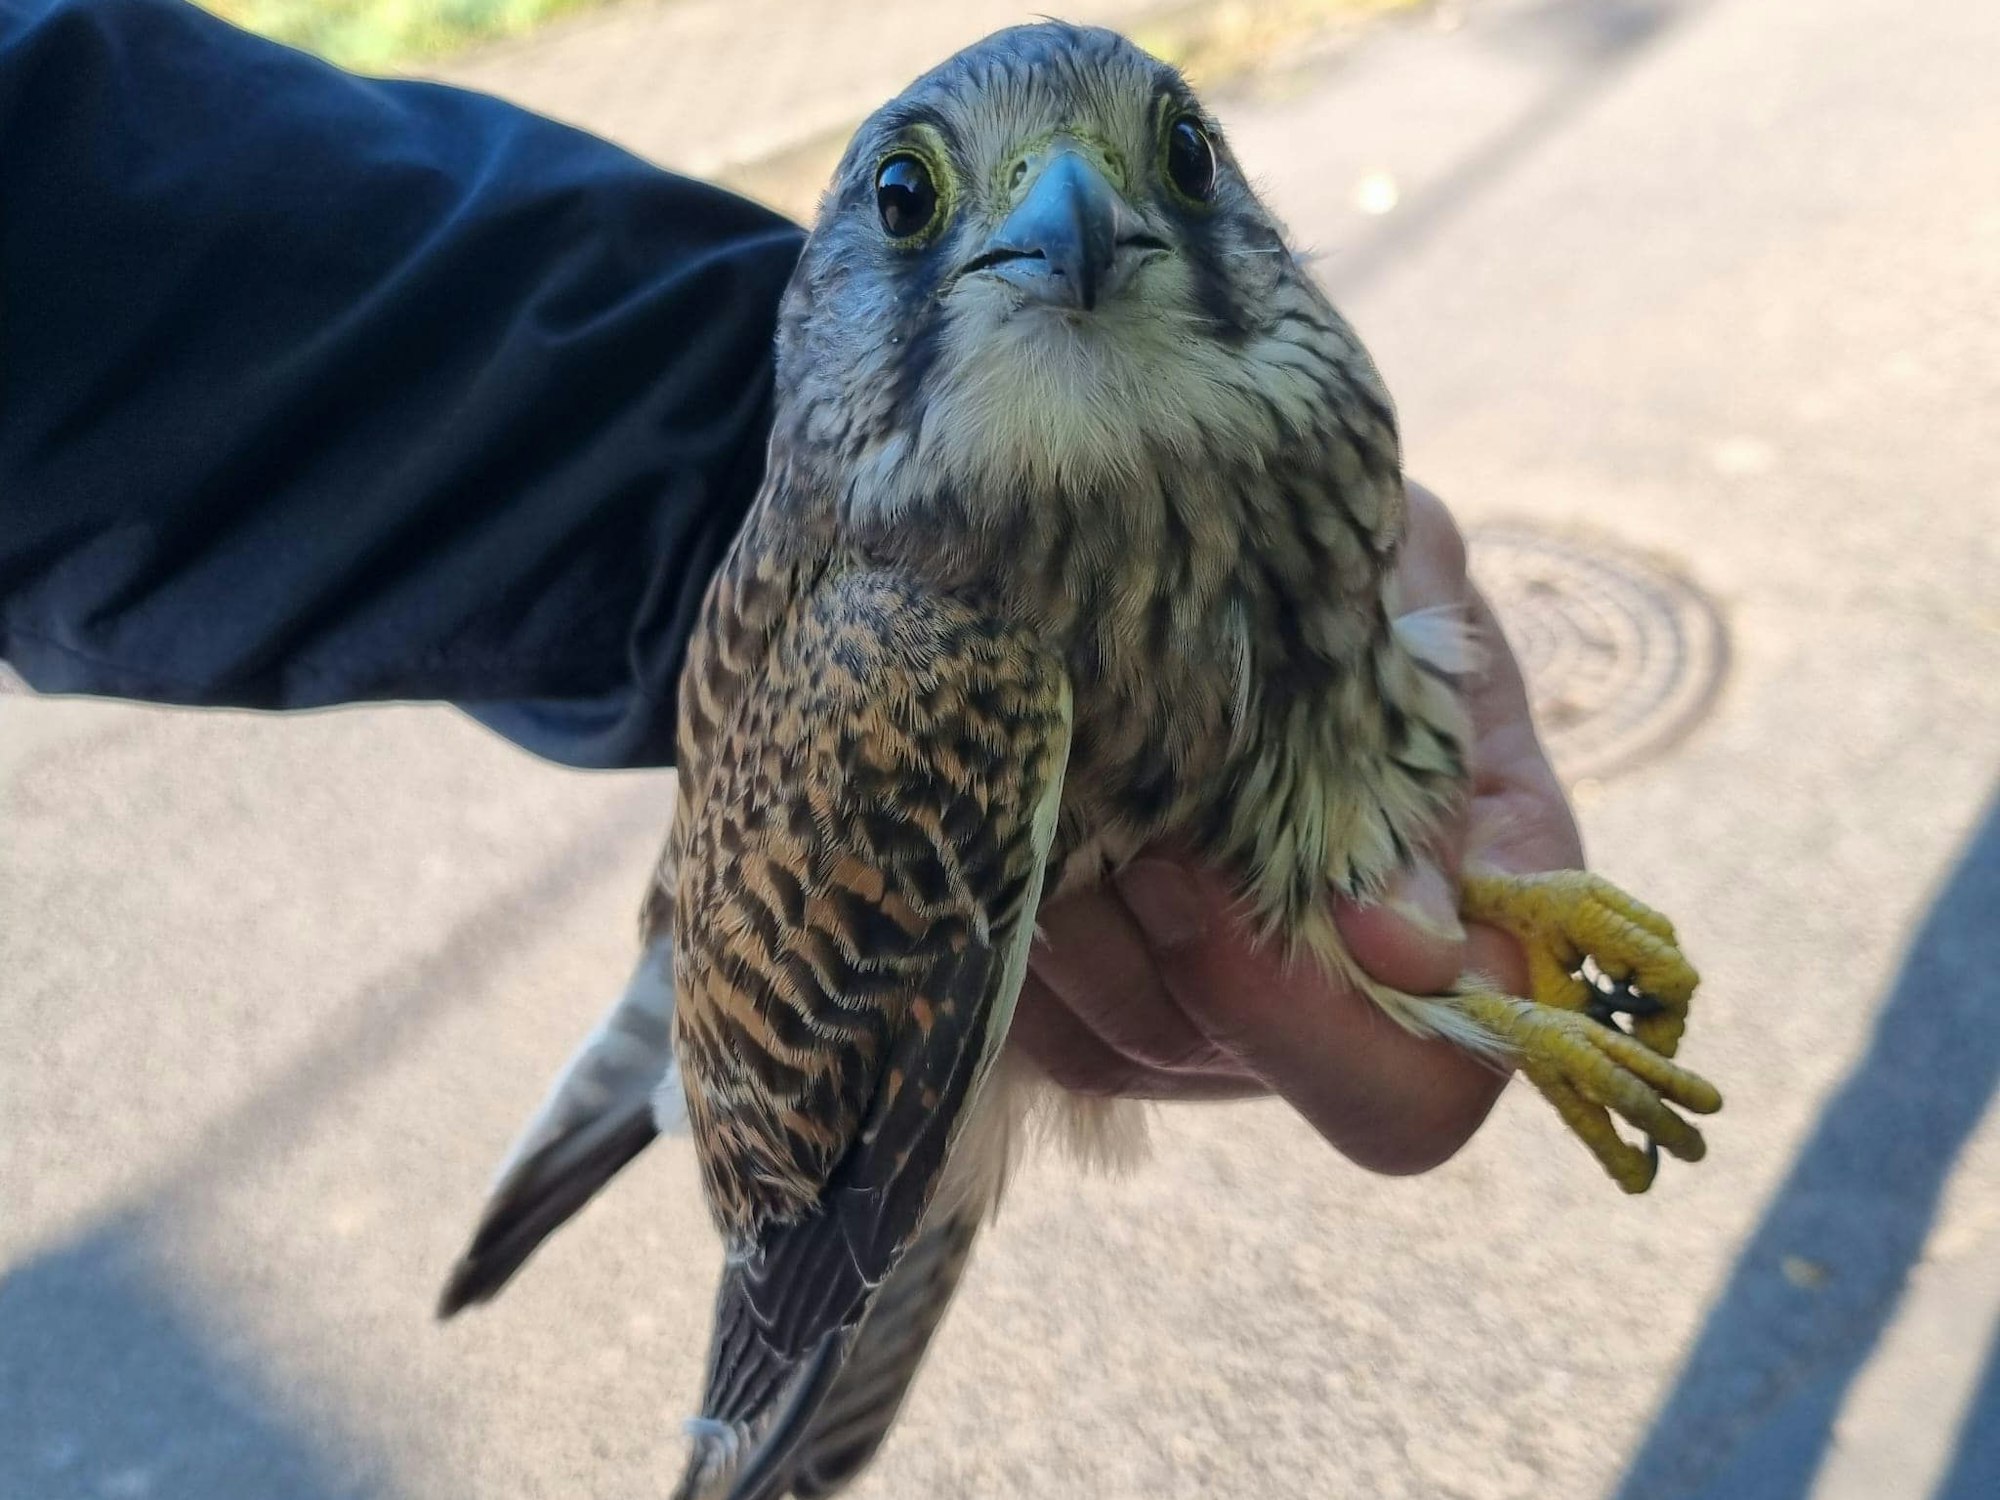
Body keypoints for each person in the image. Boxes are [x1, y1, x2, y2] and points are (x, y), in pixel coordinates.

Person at [0, 0, 1577, 1174]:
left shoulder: (1319, 423)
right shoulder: (933, 661)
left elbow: (90, 204)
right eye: (917, 204)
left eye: (1165, 158)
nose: (1074, 219)